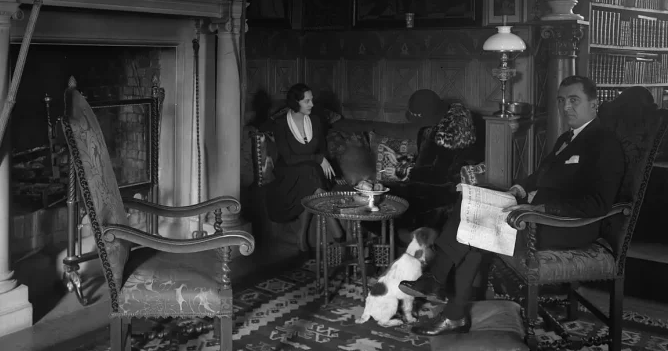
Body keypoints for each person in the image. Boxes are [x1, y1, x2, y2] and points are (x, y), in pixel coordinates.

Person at [398, 75, 625, 336]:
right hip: (536, 214)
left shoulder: (604, 143)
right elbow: (541, 175)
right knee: (471, 204)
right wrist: (519, 189)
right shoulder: (567, 138)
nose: (566, 107)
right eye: (562, 101)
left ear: (594, 104)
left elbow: (597, 203)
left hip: (568, 226)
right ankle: (448, 304)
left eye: (574, 100)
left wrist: (539, 207)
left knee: (476, 228)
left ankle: (441, 289)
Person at [265, 83, 342, 251]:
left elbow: (321, 149)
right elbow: (289, 158)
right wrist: (318, 159)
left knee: (310, 174)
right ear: (295, 102)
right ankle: (338, 233)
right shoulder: (280, 124)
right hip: (288, 170)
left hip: (311, 172)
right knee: (309, 172)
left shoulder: (316, 120)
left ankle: (303, 235)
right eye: (307, 101)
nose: (312, 104)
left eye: (312, 100)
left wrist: (320, 159)